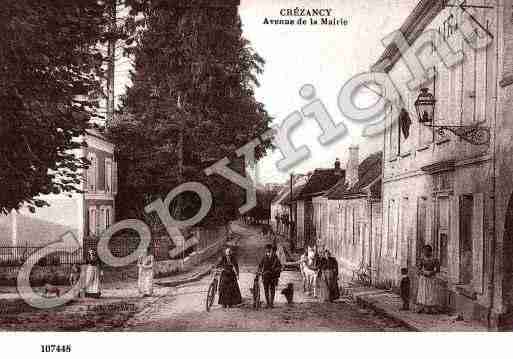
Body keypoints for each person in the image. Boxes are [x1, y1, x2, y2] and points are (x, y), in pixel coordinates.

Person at [417, 245, 440, 314]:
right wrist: (423, 273)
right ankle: (423, 307)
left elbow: (438, 269)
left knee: (431, 292)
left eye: (427, 251)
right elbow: (419, 269)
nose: (425, 253)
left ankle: (430, 307)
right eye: (424, 251)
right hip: (424, 278)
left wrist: (432, 272)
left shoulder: (434, 259)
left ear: (430, 252)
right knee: (423, 292)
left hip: (431, 277)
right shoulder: (422, 259)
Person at [258, 244, 282, 308]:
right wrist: (260, 271)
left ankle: (271, 303)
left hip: (272, 276)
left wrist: (275, 271)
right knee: (266, 290)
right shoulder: (264, 257)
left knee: (272, 290)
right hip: (265, 276)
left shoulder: (275, 257)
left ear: (271, 249)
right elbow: (260, 265)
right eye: (266, 249)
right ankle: (267, 303)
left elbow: (279, 267)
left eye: (269, 249)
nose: (267, 250)